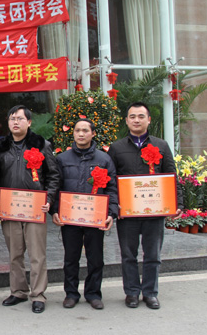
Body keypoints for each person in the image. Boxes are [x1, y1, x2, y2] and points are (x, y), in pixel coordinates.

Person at [108, 102, 182, 310]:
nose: (136, 120)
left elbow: (171, 175)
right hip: (128, 213)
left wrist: (177, 203)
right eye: (132, 116)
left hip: (154, 211)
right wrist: (114, 208)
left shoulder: (161, 145)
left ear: (148, 120)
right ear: (126, 121)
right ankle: (131, 292)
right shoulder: (117, 148)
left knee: (153, 255)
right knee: (128, 255)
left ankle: (150, 293)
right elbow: (111, 180)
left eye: (141, 116)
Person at [0, 105, 60, 314]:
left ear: (29, 122)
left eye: (20, 119)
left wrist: (49, 199)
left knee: (36, 254)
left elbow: (53, 175)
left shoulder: (41, 145)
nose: (15, 122)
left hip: (34, 209)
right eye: (12, 119)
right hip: (9, 209)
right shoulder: (0, 147)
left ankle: (38, 294)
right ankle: (18, 291)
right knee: (15, 253)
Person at [52, 118, 118, 310]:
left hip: (94, 217)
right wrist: (55, 210)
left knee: (95, 258)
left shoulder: (104, 159)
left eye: (85, 130)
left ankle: (93, 293)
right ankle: (71, 294)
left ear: (93, 134)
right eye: (77, 130)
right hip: (70, 218)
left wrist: (111, 213)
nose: (80, 134)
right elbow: (55, 186)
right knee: (70, 258)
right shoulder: (62, 159)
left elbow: (112, 188)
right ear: (73, 133)